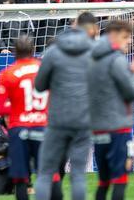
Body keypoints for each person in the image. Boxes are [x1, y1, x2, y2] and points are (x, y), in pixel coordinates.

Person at [34, 25, 94, 200]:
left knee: (45, 172)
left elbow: (39, 85)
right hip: (83, 119)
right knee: (78, 174)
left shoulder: (52, 53)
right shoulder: (91, 53)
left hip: (58, 119)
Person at [88, 19, 134, 200]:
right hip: (118, 129)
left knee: (103, 181)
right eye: (125, 37)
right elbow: (132, 91)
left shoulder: (92, 58)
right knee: (120, 179)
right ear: (113, 36)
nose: (129, 41)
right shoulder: (117, 60)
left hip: (98, 129)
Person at [0, 36, 48, 200]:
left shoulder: (7, 73)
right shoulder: (45, 69)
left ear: (14, 52)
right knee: (45, 175)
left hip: (19, 128)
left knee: (21, 178)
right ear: (33, 50)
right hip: (42, 125)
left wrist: (19, 107)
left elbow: (0, 108)